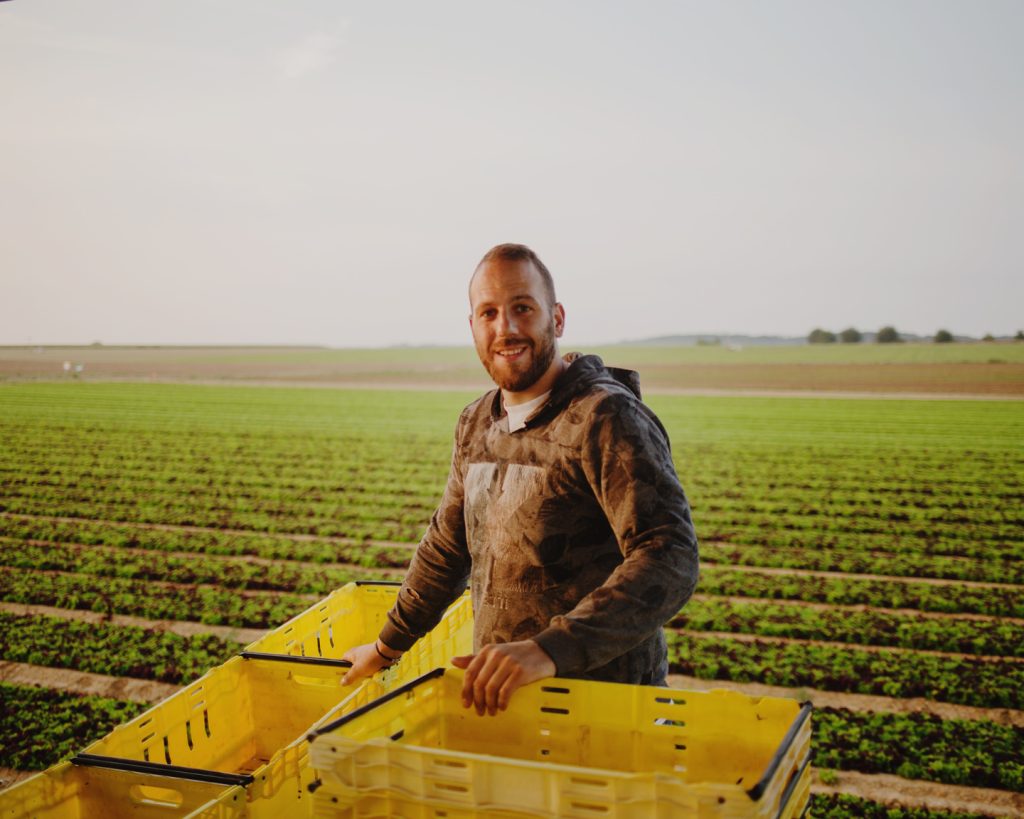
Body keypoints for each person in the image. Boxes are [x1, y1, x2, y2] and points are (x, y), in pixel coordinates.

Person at [343, 243, 699, 716]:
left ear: (557, 318)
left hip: (604, 708)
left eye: (522, 308)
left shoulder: (604, 416)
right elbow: (448, 548)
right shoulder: (476, 423)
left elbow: (668, 555)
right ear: (472, 327)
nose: (505, 328)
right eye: (488, 312)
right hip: (503, 702)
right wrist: (385, 648)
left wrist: (550, 650)